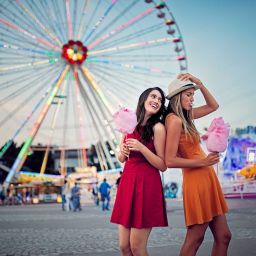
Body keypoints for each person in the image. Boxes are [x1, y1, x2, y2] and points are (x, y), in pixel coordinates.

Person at [165, 73, 231, 256]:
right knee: (195, 239)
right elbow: (169, 160)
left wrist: (200, 84)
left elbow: (213, 106)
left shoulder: (186, 117)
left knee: (224, 236)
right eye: (189, 95)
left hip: (207, 177)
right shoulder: (175, 120)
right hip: (196, 180)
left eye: (193, 94)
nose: (192, 99)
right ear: (177, 96)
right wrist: (203, 161)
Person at [111, 87, 168, 256]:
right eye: (153, 96)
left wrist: (142, 148)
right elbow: (122, 159)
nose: (157, 101)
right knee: (124, 247)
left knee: (137, 247)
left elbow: (162, 165)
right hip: (128, 182)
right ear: (144, 98)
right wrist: (122, 151)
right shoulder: (128, 122)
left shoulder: (158, 128)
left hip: (147, 184)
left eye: (160, 99)